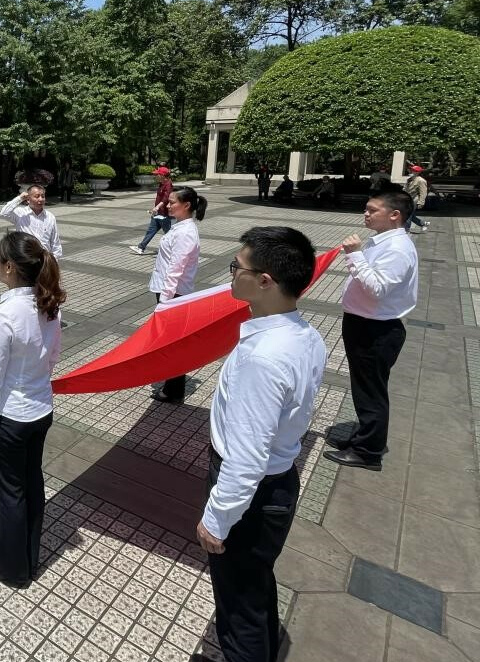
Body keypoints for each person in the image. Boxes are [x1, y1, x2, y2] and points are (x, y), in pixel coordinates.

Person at [197, 226, 326, 662]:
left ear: (265, 280)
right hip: (277, 484)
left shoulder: (263, 357)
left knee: (239, 607)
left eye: (237, 267)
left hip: (252, 496)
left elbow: (247, 456)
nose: (232, 274)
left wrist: (217, 518)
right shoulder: (304, 334)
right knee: (254, 587)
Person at [0, 231, 66, 586]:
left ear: (10, 267)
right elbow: (53, 357)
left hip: (9, 417)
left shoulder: (4, 315)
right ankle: (29, 555)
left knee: (9, 493)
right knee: (32, 483)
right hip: (40, 410)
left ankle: (11, 568)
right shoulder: (49, 305)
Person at [324, 191, 418, 471]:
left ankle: (368, 452)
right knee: (364, 386)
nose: (366, 214)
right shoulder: (383, 240)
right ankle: (364, 437)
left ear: (394, 215)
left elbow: (377, 288)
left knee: (371, 392)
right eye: (366, 209)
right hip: (364, 323)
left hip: (376, 329)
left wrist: (354, 255)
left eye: (372, 210)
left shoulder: (398, 248)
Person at [148, 186, 208, 402]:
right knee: (170, 343)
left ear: (186, 205)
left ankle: (173, 390)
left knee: (173, 344)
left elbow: (176, 269)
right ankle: (172, 385)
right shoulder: (180, 227)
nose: (168, 205)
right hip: (169, 291)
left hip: (173, 294)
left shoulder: (186, 233)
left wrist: (165, 302)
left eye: (172, 202)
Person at [0, 186, 63, 260]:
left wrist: (55, 260)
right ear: (28, 200)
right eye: (37, 196)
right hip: (25, 259)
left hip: (44, 260)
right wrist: (19, 198)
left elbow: (55, 242)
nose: (41, 199)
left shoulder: (50, 217)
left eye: (43, 196)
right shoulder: (20, 213)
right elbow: (4, 213)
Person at [129, 166, 173, 255]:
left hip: (164, 214)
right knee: (151, 231)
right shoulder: (161, 184)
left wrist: (157, 207)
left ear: (162, 175)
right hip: (158, 213)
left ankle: (174, 250)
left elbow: (166, 198)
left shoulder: (168, 185)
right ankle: (141, 248)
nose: (156, 176)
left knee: (169, 234)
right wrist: (156, 209)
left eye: (157, 174)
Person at [404, 165, 430, 232]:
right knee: (410, 215)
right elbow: (405, 189)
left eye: (413, 170)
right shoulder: (410, 179)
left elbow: (423, 192)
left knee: (408, 214)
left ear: (417, 172)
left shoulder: (421, 181)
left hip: (414, 199)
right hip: (408, 199)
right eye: (411, 170)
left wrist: (421, 202)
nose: (411, 171)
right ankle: (423, 223)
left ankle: (406, 229)